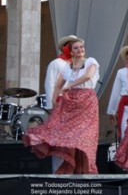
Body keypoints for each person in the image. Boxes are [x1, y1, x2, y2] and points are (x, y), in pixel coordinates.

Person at [23, 38, 100, 174]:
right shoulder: (67, 67)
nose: (80, 50)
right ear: (70, 51)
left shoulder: (90, 61)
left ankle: (86, 171)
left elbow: (88, 76)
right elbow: (58, 85)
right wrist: (53, 100)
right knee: (66, 134)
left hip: (87, 102)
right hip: (70, 102)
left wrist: (70, 85)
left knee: (85, 136)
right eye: (76, 48)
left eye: (81, 47)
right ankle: (69, 168)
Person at [43, 34, 79, 173]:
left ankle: (71, 173)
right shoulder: (56, 63)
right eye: (70, 46)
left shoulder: (77, 65)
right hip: (59, 105)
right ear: (66, 48)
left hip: (74, 107)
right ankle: (57, 174)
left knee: (72, 142)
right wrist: (52, 107)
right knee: (59, 142)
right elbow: (50, 85)